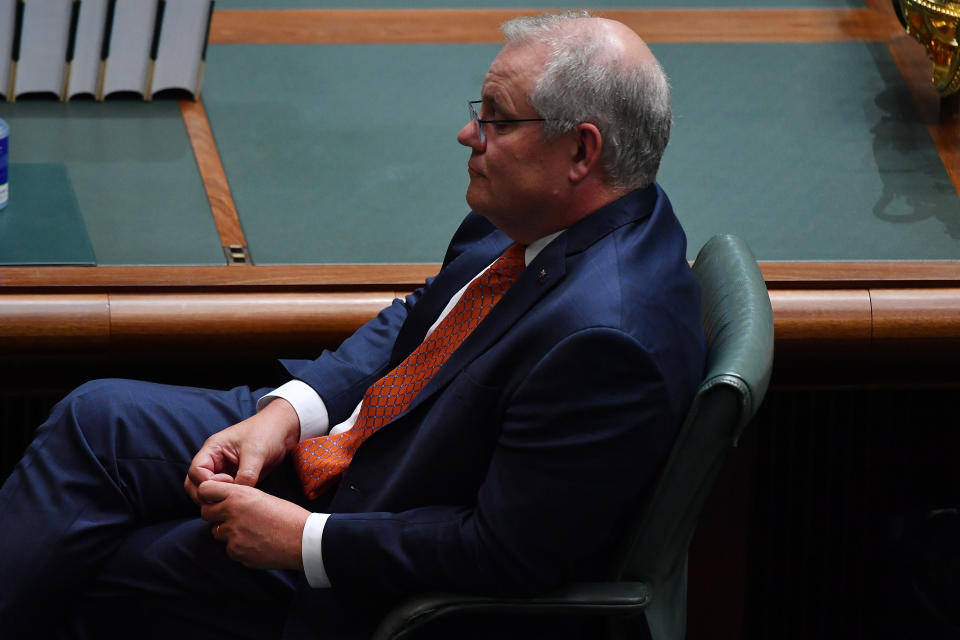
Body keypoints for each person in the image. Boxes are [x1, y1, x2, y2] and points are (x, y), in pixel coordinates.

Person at [0, 11, 705, 640]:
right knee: (96, 419)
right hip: (344, 452)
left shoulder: (605, 339)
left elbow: (506, 550)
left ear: (581, 152)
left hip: (361, 550)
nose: (468, 134)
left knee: (96, 565)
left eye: (495, 117)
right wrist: (286, 413)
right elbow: (419, 320)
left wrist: (305, 541)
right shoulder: (535, 222)